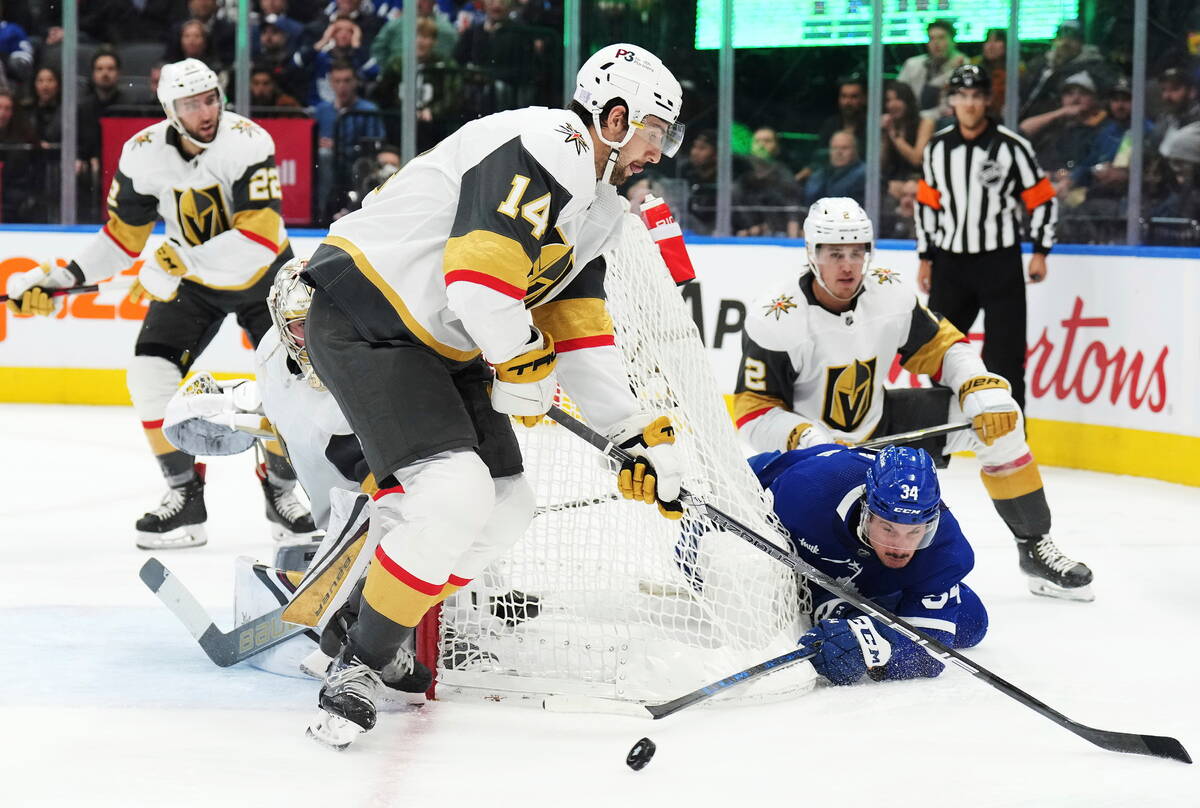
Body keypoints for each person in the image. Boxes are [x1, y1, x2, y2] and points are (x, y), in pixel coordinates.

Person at [297, 42, 687, 747]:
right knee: (454, 495)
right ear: (616, 116)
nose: (658, 151)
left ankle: (364, 621)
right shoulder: (551, 141)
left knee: (507, 506)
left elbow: (577, 326)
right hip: (370, 317)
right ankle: (358, 664)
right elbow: (478, 282)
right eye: (655, 130)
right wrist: (521, 364)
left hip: (444, 343)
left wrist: (630, 429)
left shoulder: (598, 206)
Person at [4, 59, 315, 550]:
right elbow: (122, 238)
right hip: (192, 282)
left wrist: (177, 259)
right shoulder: (141, 154)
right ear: (170, 109)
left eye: (211, 99)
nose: (206, 112)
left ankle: (283, 492)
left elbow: (258, 236)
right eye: (192, 104)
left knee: (293, 381)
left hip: (264, 277)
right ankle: (184, 496)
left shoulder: (248, 141)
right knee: (149, 374)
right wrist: (61, 278)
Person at [732, 197, 1093, 602]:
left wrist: (979, 386)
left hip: (880, 426)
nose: (848, 266)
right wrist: (808, 439)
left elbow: (945, 347)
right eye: (835, 254)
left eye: (857, 253)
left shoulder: (889, 292)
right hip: (814, 457)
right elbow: (753, 413)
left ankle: (1035, 546)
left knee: (1001, 421)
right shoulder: (777, 317)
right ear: (812, 254)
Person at [750, 445, 988, 685]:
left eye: (914, 532)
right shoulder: (806, 492)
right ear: (867, 513)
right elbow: (748, 505)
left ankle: (847, 606)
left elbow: (931, 652)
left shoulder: (945, 549)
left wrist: (872, 646)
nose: (900, 547)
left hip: (867, 574)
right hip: (776, 481)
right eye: (888, 528)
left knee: (971, 621)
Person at [915, 65, 1058, 413]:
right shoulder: (937, 148)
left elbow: (1042, 199)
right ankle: (944, 433)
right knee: (936, 351)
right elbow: (928, 204)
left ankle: (1013, 436)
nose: (969, 104)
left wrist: (1040, 250)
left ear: (988, 100)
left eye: (976, 96)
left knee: (1005, 357)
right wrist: (925, 256)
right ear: (951, 101)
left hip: (999, 262)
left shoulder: (1012, 147)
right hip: (950, 262)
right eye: (962, 96)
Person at [896, 19, 966, 113]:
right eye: (931, 38)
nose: (936, 43)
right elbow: (897, 97)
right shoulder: (912, 64)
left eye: (941, 37)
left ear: (953, 41)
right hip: (913, 117)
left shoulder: (964, 66)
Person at [804, 130, 864, 206]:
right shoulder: (819, 176)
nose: (838, 152)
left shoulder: (865, 175)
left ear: (856, 150)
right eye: (834, 148)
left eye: (844, 148)